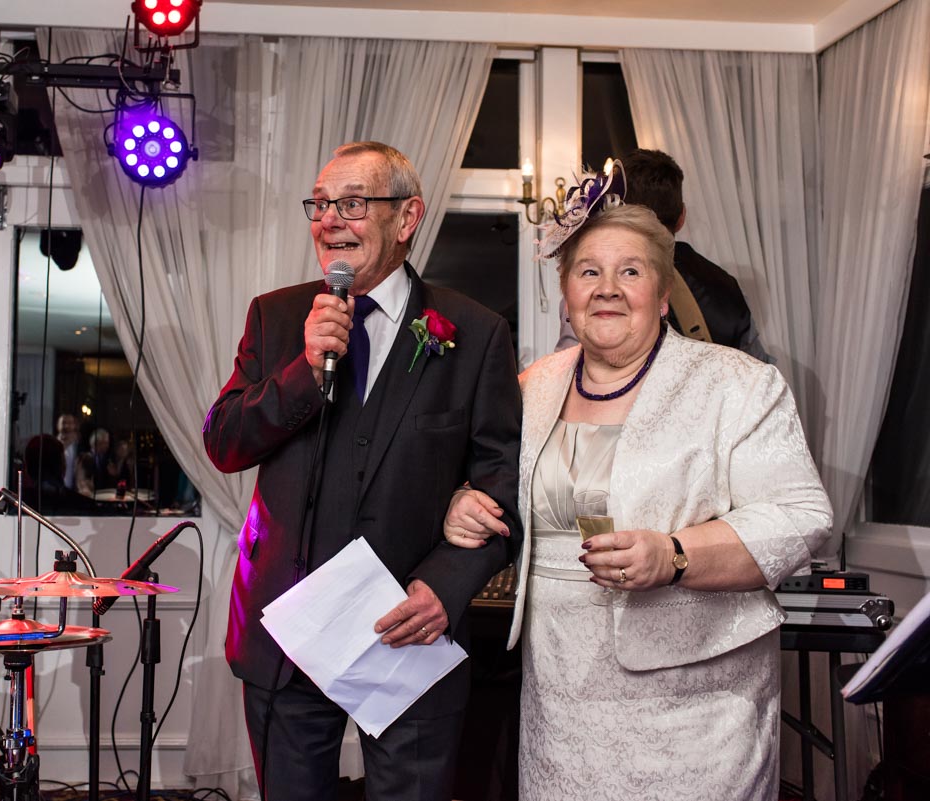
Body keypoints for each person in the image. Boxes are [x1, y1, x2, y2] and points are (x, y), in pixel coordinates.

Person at [445, 176, 831, 800]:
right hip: (560, 697)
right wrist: (466, 501)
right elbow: (500, 483)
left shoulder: (738, 385)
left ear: (663, 293)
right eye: (588, 272)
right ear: (567, 294)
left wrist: (676, 556)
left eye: (630, 271)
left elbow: (801, 514)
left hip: (698, 704)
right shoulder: (532, 387)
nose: (607, 288)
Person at [203, 141, 523, 801]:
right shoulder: (277, 316)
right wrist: (302, 370)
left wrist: (443, 588)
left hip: (408, 630)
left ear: (407, 218)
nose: (328, 221)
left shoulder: (474, 332)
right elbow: (225, 442)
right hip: (288, 634)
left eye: (351, 204)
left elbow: (504, 482)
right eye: (320, 205)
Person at [556, 148, 770, 361]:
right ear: (682, 217)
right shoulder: (728, 286)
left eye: (630, 272)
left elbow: (570, 365)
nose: (608, 289)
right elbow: (756, 363)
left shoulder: (592, 291)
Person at [55, 412, 80, 489]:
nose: (67, 426)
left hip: (74, 489)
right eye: (64, 423)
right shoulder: (52, 444)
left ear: (74, 425)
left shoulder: (79, 445)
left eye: (70, 423)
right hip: (57, 488)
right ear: (58, 425)